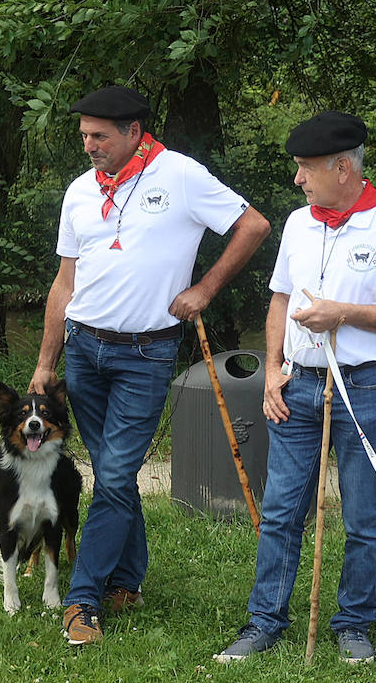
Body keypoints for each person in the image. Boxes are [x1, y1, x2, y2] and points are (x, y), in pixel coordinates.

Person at [30, 84, 269, 646]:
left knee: (112, 476)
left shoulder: (180, 175)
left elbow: (253, 225)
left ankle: (83, 598)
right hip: (84, 349)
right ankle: (128, 580)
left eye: (100, 136)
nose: (88, 146)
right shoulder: (80, 192)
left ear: (135, 132)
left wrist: (205, 288)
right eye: (84, 135)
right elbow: (65, 281)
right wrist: (46, 362)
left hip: (146, 353)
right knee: (116, 470)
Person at [214, 110, 376, 665]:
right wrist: (273, 368)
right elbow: (281, 298)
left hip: (363, 387)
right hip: (298, 386)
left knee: (362, 515)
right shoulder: (298, 223)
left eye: (306, 168)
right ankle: (265, 622)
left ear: (342, 167)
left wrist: (345, 315)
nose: (298, 179)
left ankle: (354, 624)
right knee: (283, 509)